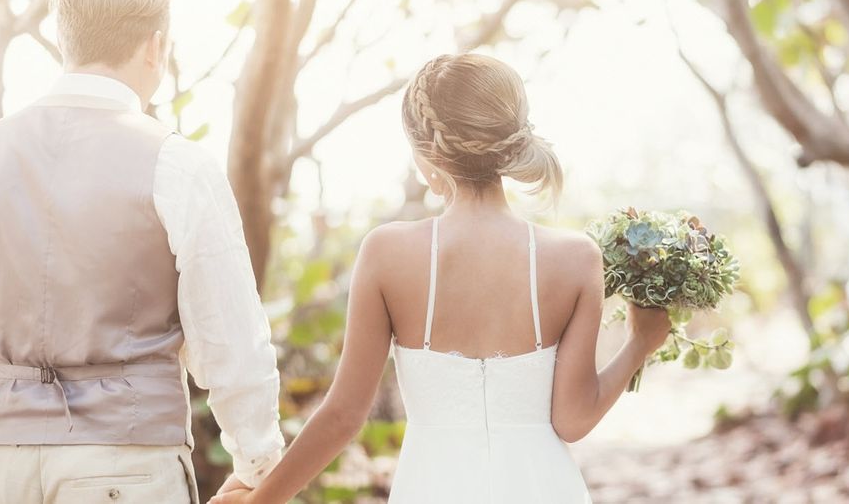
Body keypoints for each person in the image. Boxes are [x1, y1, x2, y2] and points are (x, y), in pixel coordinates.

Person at [211, 53, 671, 504]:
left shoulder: (387, 253)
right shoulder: (575, 258)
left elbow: (343, 416)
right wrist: (639, 343)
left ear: (428, 151)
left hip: (432, 487)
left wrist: (261, 500)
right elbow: (572, 420)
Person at [0, 0, 284, 503]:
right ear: (156, 46)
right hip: (125, 465)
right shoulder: (176, 163)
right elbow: (228, 337)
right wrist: (257, 461)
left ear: (66, 40)